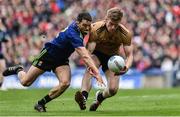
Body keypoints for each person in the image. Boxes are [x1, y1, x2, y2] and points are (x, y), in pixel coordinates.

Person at [2, 12, 105, 112]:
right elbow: (85, 56)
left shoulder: (85, 28)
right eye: (84, 25)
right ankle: (19, 69)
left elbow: (97, 27)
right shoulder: (73, 34)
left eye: (89, 25)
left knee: (65, 83)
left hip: (61, 59)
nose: (87, 28)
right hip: (48, 54)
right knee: (25, 82)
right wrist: (97, 72)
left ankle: (40, 103)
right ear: (77, 23)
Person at [75, 7, 133, 111]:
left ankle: (99, 97)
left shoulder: (125, 33)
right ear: (106, 19)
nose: (113, 27)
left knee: (113, 89)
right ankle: (83, 97)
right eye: (111, 24)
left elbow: (129, 55)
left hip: (113, 58)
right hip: (97, 54)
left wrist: (127, 67)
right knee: (91, 67)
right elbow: (89, 51)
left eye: (116, 25)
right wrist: (88, 64)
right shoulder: (95, 28)